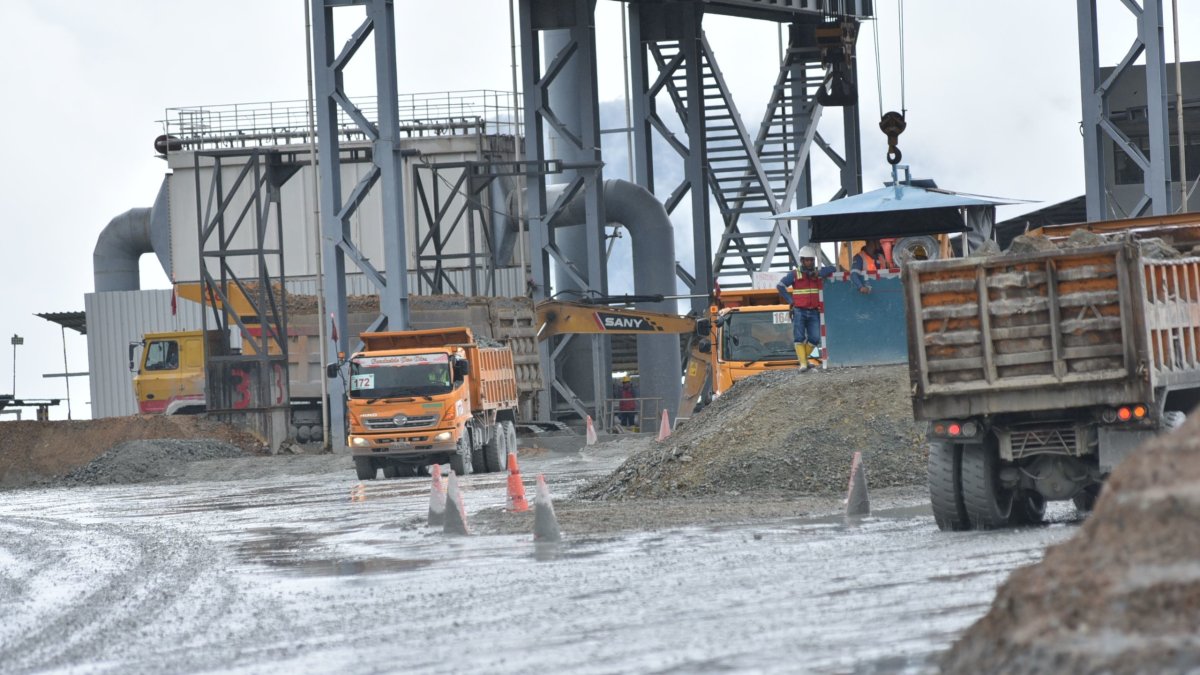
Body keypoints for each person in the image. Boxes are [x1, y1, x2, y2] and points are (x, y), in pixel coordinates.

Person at [776, 245, 835, 372]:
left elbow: (833, 268)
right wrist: (791, 301)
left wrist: (820, 273)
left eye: (811, 260)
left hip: (814, 311)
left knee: (815, 338)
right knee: (799, 337)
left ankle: (804, 359)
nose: (809, 262)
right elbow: (780, 286)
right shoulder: (794, 274)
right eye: (807, 260)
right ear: (802, 260)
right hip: (799, 311)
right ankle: (803, 363)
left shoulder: (817, 273)